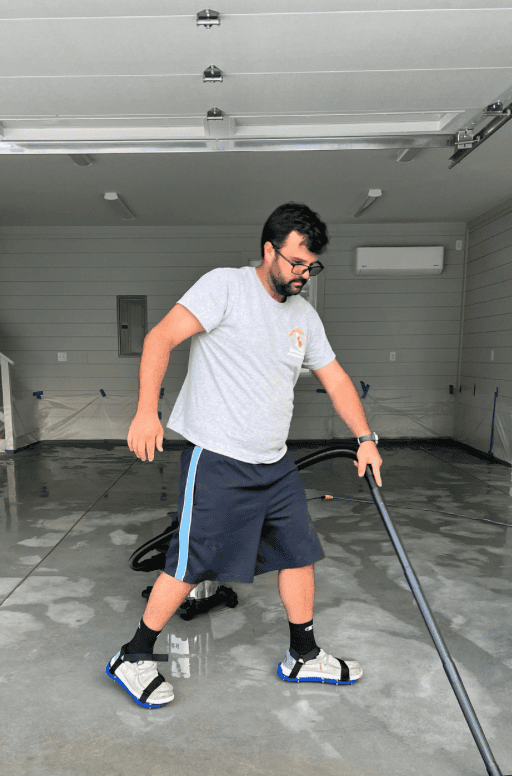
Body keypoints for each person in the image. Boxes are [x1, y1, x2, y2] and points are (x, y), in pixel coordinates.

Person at [106, 203, 383, 708]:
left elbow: (336, 377)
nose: (303, 274)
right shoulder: (225, 287)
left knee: (300, 552)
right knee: (190, 562)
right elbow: (159, 338)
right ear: (269, 250)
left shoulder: (304, 316)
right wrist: (148, 411)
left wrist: (366, 437)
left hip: (274, 462)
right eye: (297, 263)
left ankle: (303, 654)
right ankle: (133, 655)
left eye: (311, 266)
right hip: (217, 458)